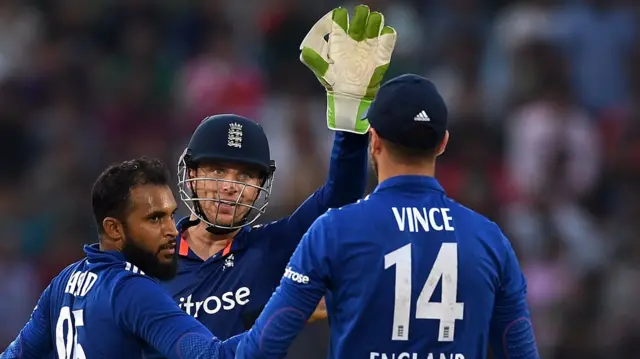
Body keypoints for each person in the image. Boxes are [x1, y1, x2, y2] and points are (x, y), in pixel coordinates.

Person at [235, 74, 541, 359]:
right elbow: (519, 349)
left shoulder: (334, 230)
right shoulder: (489, 238)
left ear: (374, 140)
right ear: (443, 143)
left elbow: (259, 350)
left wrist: (186, 323)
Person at [155, 3, 397, 343]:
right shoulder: (145, 265)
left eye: (244, 177)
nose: (228, 188)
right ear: (191, 175)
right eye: (217, 171)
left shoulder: (270, 251)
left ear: (261, 188)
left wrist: (348, 123)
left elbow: (339, 199)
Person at [1, 158, 243, 359]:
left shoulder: (63, 282)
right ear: (114, 229)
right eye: (155, 218)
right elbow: (214, 356)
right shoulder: (129, 289)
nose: (172, 230)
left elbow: (17, 354)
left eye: (171, 215)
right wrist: (281, 306)